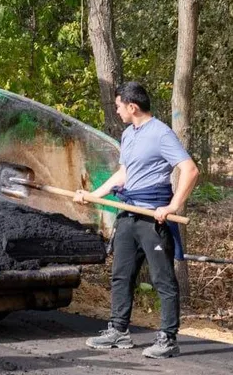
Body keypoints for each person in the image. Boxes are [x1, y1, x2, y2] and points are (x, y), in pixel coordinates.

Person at [76, 81, 199, 359]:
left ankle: (168, 338)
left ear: (132, 106)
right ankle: (119, 330)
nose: (117, 111)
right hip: (128, 214)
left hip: (153, 218)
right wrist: (93, 195)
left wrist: (172, 206)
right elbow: (124, 174)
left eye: (119, 106)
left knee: (163, 279)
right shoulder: (128, 134)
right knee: (121, 274)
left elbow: (190, 169)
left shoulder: (161, 133)